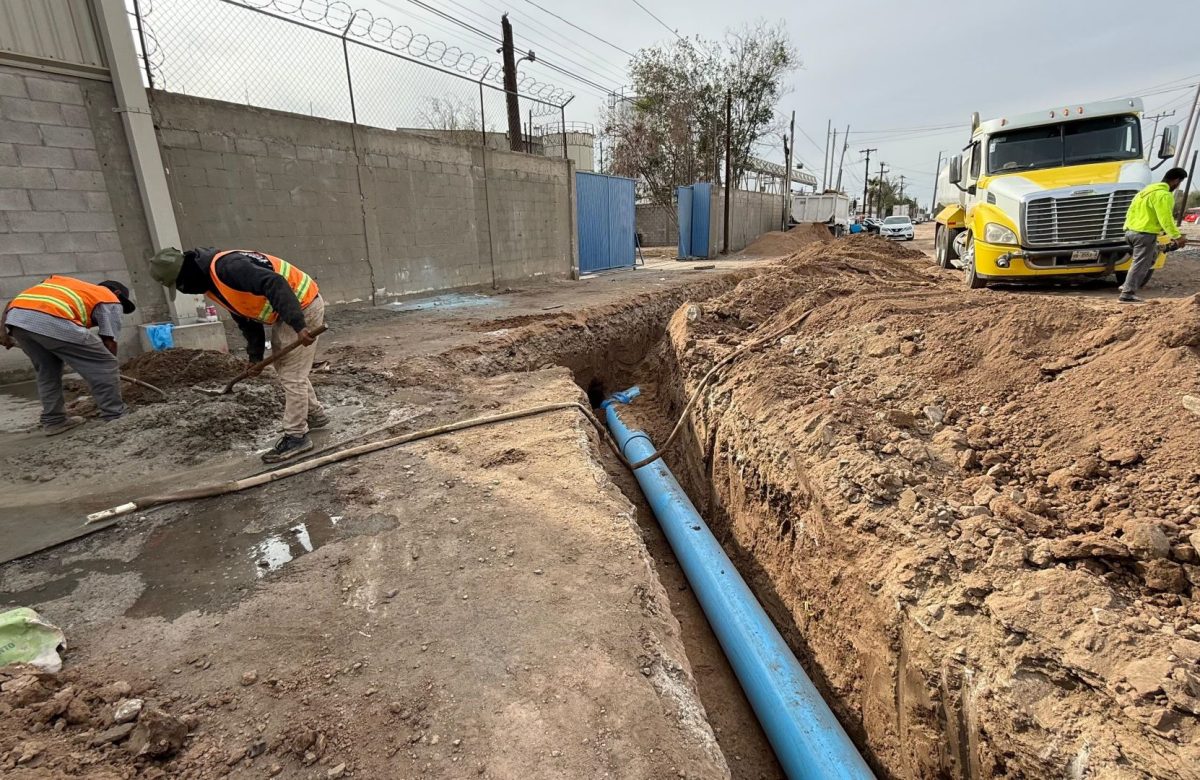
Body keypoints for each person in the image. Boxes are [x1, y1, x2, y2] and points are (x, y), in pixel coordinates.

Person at [148, 247, 327, 463]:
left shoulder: (228, 268)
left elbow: (275, 283)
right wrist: (255, 358)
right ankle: (315, 414)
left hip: (302, 305)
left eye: (181, 285)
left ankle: (297, 436)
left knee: (292, 374)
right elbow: (247, 319)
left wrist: (299, 326)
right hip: (289, 308)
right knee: (289, 370)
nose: (185, 290)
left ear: (185, 274)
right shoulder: (214, 283)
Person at [0, 276, 136, 435]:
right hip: (52, 318)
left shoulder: (62, 284)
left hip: (17, 321)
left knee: (47, 370)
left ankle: (54, 421)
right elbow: (109, 342)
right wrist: (106, 369)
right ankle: (116, 415)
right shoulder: (109, 298)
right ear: (117, 293)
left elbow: (12, 303)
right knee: (105, 362)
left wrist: (2, 331)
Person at [1121, 167, 1189, 303]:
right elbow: (1166, 219)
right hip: (1144, 234)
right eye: (1179, 183)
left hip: (1130, 232)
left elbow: (1130, 211)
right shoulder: (1164, 195)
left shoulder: (1145, 191)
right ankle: (1127, 294)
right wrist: (1177, 237)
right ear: (1176, 181)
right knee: (1141, 263)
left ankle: (1128, 283)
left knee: (1150, 256)